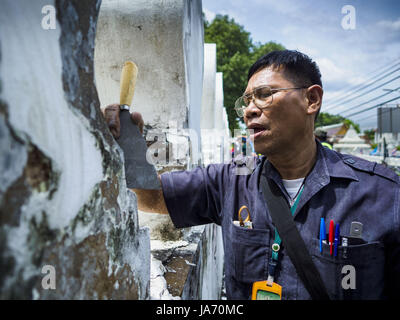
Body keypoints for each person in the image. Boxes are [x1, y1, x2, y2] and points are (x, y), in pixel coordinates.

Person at [104, 50, 400, 300]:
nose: (248, 111)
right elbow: (150, 197)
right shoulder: (228, 181)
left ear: (312, 100)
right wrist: (129, 145)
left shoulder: (384, 194)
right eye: (245, 101)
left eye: (263, 95)